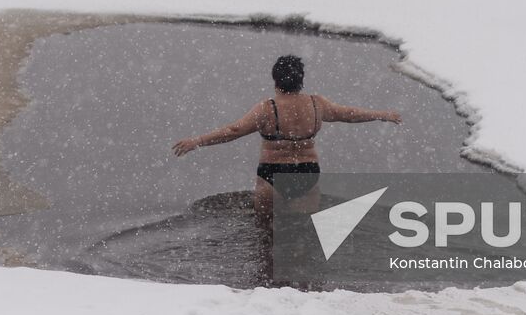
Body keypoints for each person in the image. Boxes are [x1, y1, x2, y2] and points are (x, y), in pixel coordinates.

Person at [171, 54, 400, 219]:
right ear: (301, 79)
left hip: (273, 175)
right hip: (306, 173)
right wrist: (382, 114)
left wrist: (197, 141)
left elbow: (234, 131)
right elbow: (348, 114)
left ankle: (268, 283)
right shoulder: (316, 104)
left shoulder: (266, 109)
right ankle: (302, 280)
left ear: (275, 80)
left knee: (265, 233)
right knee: (303, 230)